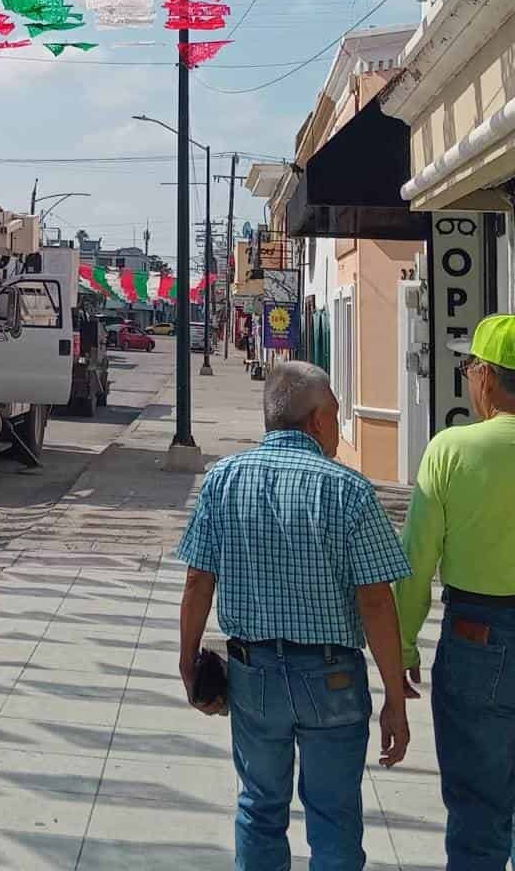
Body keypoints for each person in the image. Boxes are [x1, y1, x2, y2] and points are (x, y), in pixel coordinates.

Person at [177, 360, 412, 870]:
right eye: (333, 413)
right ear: (315, 421)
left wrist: (188, 659)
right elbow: (376, 601)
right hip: (331, 677)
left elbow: (198, 580)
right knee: (333, 816)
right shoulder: (349, 491)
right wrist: (395, 696)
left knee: (260, 807)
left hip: (253, 673)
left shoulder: (223, 480)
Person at [394, 314, 515, 871]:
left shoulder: (450, 451)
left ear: (487, 377)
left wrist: (401, 649)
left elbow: (416, 563)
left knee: (477, 812)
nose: (467, 376)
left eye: (469, 365)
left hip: (476, 640)